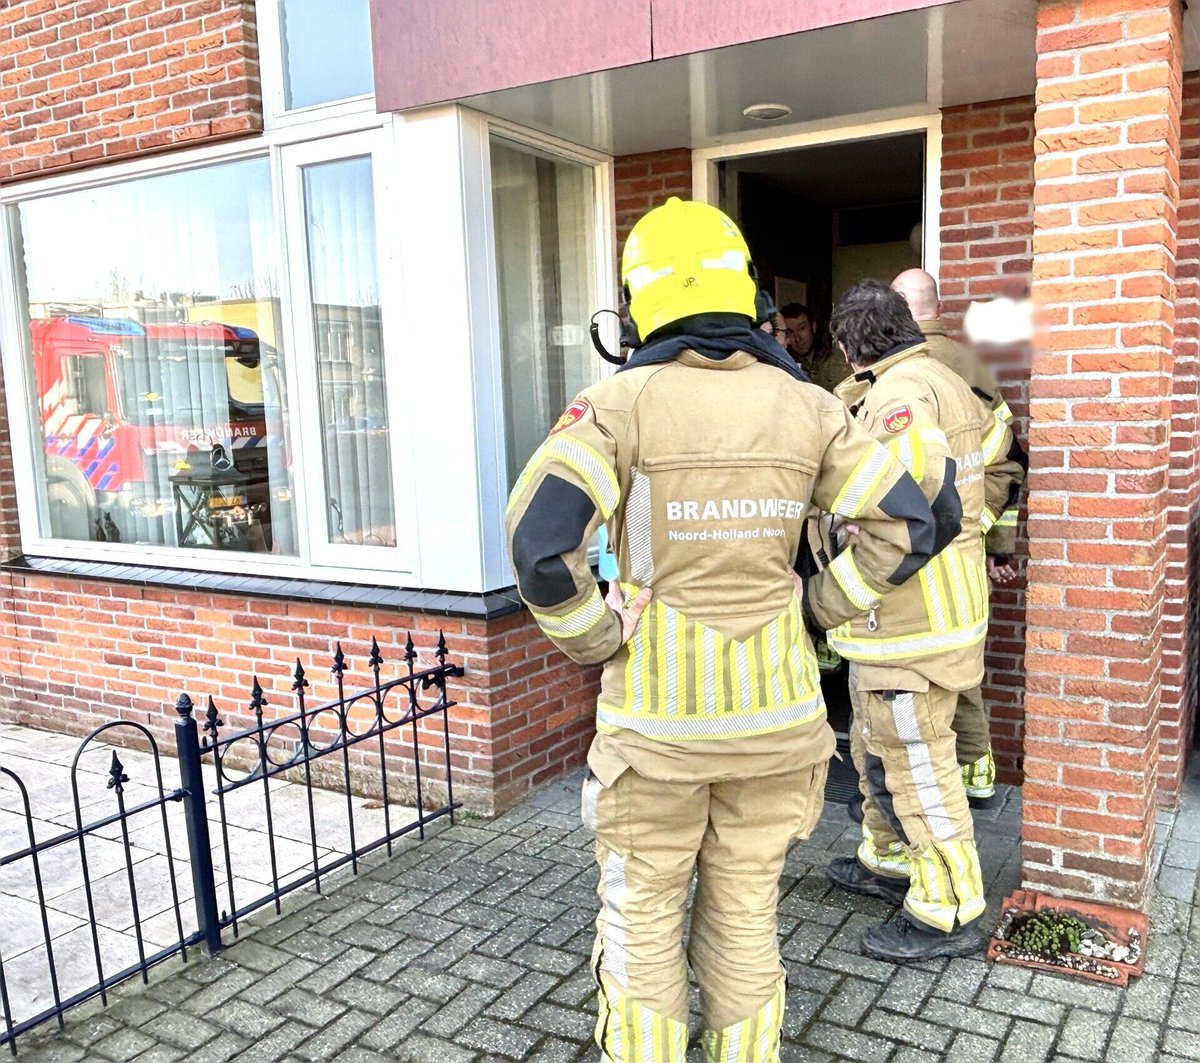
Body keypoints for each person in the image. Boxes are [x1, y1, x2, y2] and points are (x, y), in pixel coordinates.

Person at [506, 199, 941, 1061]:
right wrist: (818, 605)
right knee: (745, 923)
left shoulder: (616, 403)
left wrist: (600, 633)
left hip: (656, 739)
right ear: (743, 293)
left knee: (641, 925)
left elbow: (538, 548)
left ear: (636, 303)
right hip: (776, 733)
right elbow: (911, 525)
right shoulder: (810, 404)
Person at [824, 280, 993, 961]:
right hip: (928, 614)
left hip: (911, 622)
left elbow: (910, 503)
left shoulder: (898, 396)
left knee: (919, 761)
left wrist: (838, 552)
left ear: (847, 346)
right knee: (876, 744)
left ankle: (947, 906)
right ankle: (888, 856)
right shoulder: (942, 376)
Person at [890, 268, 1028, 803]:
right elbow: (1008, 461)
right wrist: (993, 539)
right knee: (961, 660)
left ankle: (936, 781)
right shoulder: (972, 367)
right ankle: (976, 769)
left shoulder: (901, 375)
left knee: (913, 669)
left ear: (903, 308)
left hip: (912, 549)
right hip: (967, 547)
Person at [780, 302, 850, 392]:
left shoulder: (841, 359)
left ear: (813, 326)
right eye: (790, 333)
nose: (797, 338)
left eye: (801, 328)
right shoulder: (784, 367)